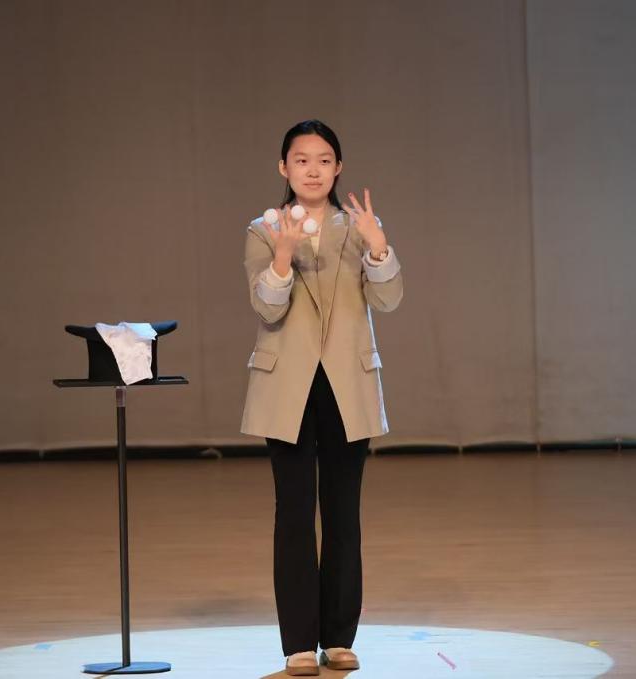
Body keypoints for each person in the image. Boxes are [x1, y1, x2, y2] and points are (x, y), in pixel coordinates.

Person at [240, 119, 404, 676]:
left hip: (346, 385)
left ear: (338, 168)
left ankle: (337, 638)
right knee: (292, 513)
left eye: (324, 160)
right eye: (301, 160)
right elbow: (267, 308)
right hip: (285, 386)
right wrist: (282, 258)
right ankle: (297, 644)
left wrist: (378, 250)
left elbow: (388, 301)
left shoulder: (359, 227)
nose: (313, 170)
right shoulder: (263, 229)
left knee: (342, 513)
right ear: (283, 168)